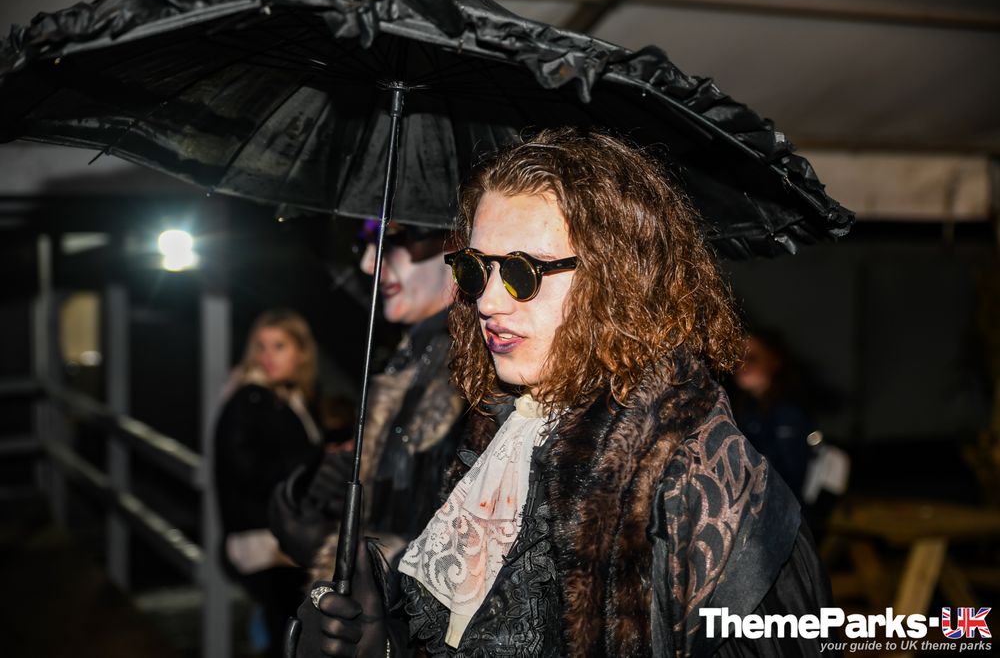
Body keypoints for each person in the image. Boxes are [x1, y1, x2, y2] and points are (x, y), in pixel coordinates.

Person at [295, 128, 836, 657]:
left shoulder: (700, 477)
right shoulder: (494, 434)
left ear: (618, 278)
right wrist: (384, 642)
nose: (488, 302)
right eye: (475, 269)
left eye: (522, 271)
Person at [268, 220, 465, 576]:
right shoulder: (413, 358)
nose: (368, 264)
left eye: (392, 240)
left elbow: (457, 556)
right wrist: (348, 490)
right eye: (365, 244)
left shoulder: (476, 372)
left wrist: (335, 552)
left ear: (457, 240)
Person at [214, 308, 325, 658]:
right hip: (263, 541)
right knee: (290, 636)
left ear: (302, 352)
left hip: (278, 536)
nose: (267, 356)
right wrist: (316, 458)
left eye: (279, 346)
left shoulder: (289, 397)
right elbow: (248, 470)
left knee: (287, 631)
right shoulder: (251, 398)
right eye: (261, 346)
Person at [730, 331, 817, 500]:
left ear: (775, 361)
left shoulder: (788, 413)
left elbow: (789, 479)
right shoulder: (746, 408)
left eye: (752, 358)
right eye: (736, 357)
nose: (742, 364)